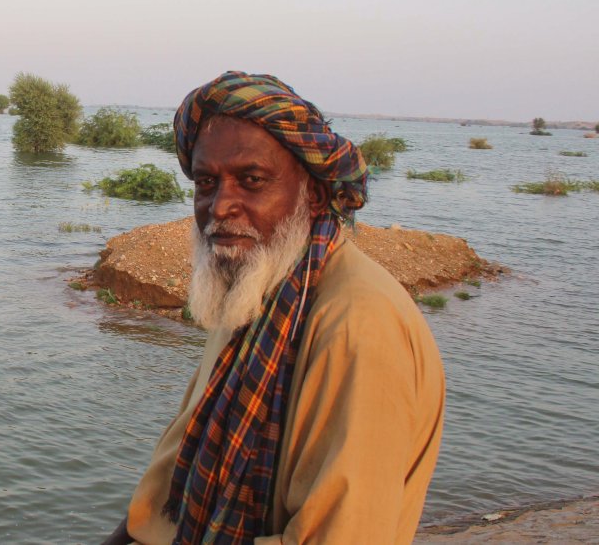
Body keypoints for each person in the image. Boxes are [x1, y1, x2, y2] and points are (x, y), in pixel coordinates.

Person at [102, 72, 444, 545]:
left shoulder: (358, 324)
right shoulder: (253, 290)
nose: (220, 207)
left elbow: (344, 534)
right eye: (206, 182)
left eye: (252, 180)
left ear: (315, 193)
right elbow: (177, 471)